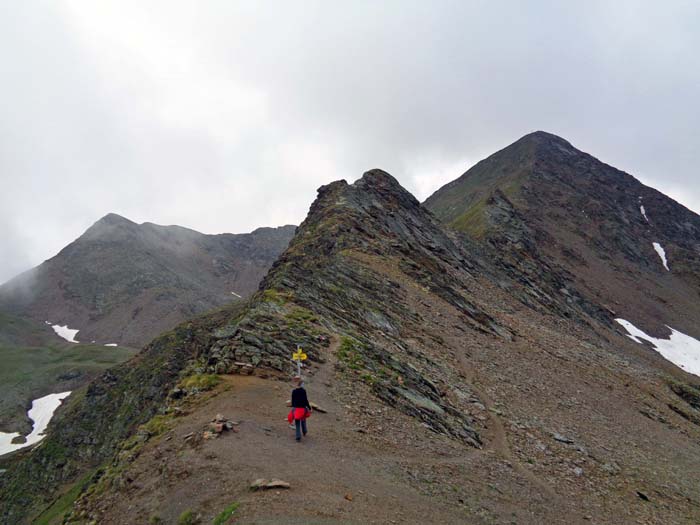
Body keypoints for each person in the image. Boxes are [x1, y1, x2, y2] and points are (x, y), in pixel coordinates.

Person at [287, 376, 311, 442]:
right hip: (303, 408)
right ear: (301, 384)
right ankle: (304, 431)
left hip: (296, 409)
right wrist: (309, 407)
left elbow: (293, 401)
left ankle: (298, 436)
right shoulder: (303, 391)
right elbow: (306, 400)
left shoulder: (294, 391)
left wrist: (294, 408)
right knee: (303, 420)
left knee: (297, 423)